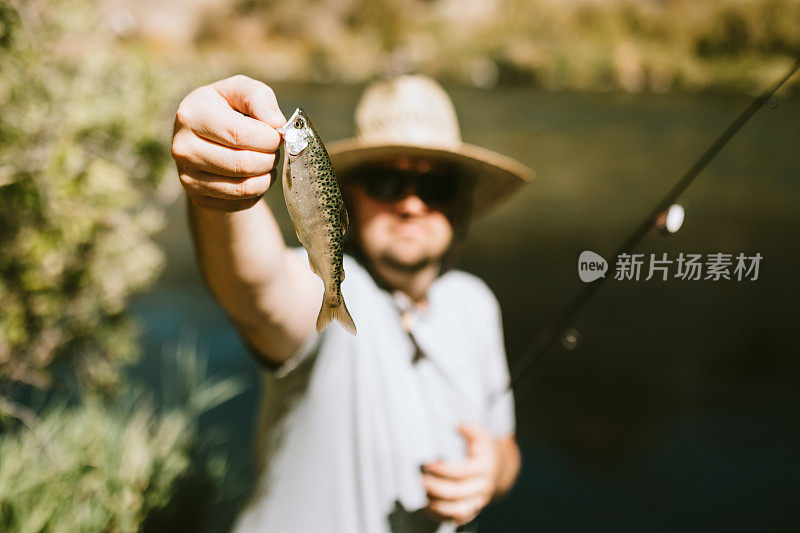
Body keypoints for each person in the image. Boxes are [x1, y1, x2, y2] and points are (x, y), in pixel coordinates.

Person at [171, 74, 532, 532]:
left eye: (436, 186)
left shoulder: (476, 304)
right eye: (386, 181)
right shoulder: (332, 283)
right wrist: (219, 192)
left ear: (460, 204)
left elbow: (505, 445)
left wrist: (492, 472)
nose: (411, 205)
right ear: (347, 196)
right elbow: (256, 288)